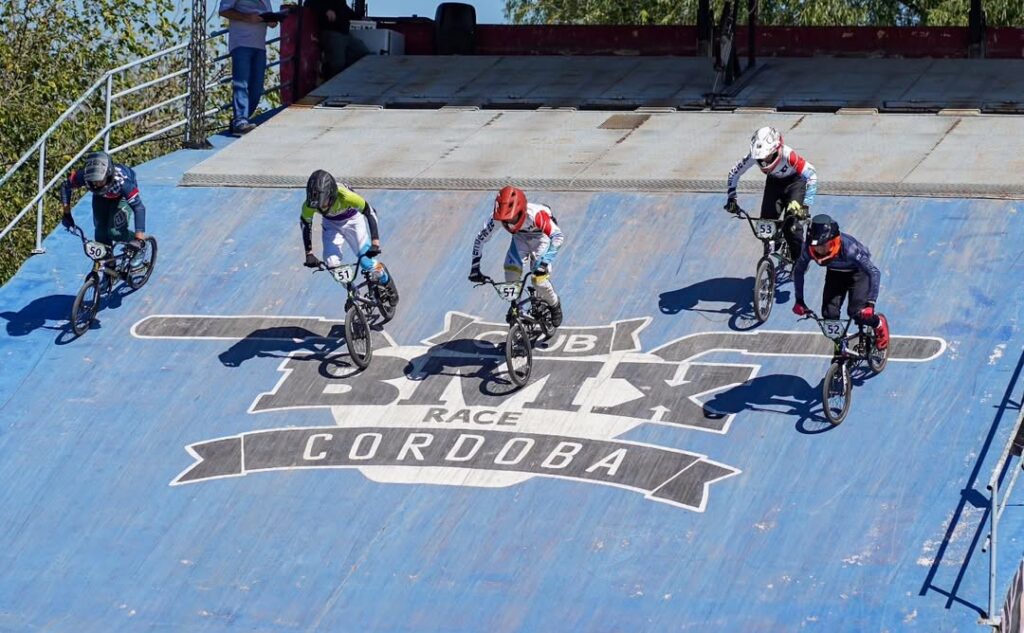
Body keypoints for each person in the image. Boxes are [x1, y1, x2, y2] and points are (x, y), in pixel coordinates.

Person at [468, 186, 565, 328]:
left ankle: (554, 304)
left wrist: (544, 263)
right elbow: (480, 239)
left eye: (512, 218)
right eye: (505, 220)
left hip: (541, 238)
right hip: (520, 239)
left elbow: (558, 236)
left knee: (538, 280)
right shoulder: (497, 218)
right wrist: (475, 268)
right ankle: (518, 309)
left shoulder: (535, 215)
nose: (509, 223)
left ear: (521, 211)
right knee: (511, 277)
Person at [792, 214, 889, 350]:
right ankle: (840, 345)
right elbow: (799, 271)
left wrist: (870, 303)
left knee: (857, 312)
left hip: (858, 273)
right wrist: (799, 300)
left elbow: (874, 272)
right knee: (829, 316)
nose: (819, 250)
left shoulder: (850, 249)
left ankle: (878, 323)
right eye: (816, 247)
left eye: (823, 246)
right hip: (835, 274)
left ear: (833, 241)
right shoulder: (809, 248)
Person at [300, 169, 398, 303]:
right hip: (331, 224)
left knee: (366, 262)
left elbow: (370, 212)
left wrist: (375, 243)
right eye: (318, 206)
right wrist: (309, 253)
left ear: (332, 195)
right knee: (331, 263)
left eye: (324, 204)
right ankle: (351, 289)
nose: (321, 208)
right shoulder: (309, 204)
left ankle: (386, 281)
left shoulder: (346, 196)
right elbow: (306, 225)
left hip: (353, 221)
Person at [723, 126, 818, 260]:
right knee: (765, 225)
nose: (764, 161)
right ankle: (772, 248)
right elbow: (734, 172)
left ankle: (799, 260)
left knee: (791, 226)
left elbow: (812, 175)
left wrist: (805, 206)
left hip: (795, 184)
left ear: (776, 150)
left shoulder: (788, 155)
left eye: (767, 156)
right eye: (761, 158)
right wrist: (731, 198)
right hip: (774, 184)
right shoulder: (754, 156)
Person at [60, 151, 147, 250]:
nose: (96, 184)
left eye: (100, 180)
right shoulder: (84, 176)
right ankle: (108, 262)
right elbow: (65, 186)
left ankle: (141, 247)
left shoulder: (122, 182)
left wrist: (139, 238)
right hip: (101, 196)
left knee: (115, 232)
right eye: (93, 181)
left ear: (108, 175)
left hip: (120, 195)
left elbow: (139, 207)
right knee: (100, 232)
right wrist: (67, 214)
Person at [219, 0, 280, 135]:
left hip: (259, 45)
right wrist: (247, 17)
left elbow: (268, 19)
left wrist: (272, 20)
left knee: (257, 87)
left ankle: (241, 119)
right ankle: (240, 120)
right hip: (241, 42)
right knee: (241, 83)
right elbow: (223, 10)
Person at [306, 0, 368, 79]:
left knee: (363, 54)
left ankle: (325, 68)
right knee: (337, 64)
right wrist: (325, 11)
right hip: (332, 32)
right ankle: (326, 81)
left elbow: (345, 10)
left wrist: (360, 17)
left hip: (346, 34)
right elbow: (309, 3)